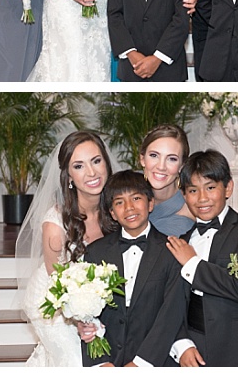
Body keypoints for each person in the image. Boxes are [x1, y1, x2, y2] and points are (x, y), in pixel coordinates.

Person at [165, 150, 238, 367]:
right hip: (194, 353)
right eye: (193, 190)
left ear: (228, 188)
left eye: (211, 187)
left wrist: (192, 264)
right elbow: (171, 303)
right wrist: (181, 343)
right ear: (184, 196)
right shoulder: (182, 241)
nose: (202, 198)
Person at [17, 130, 117, 367]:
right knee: (76, 362)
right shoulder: (55, 225)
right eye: (79, 166)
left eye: (96, 161)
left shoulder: (117, 207)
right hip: (54, 303)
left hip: (95, 297)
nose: (92, 173)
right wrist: (82, 318)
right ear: (69, 176)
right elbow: (58, 286)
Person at [77, 171, 188, 366]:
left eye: (136, 198)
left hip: (154, 361)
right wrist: (100, 362)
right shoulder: (96, 252)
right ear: (112, 212)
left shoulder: (172, 250)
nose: (129, 208)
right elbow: (88, 313)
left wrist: (141, 363)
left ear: (150, 203)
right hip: (107, 361)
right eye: (119, 202)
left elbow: (170, 315)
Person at [139, 124, 194, 236]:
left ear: (182, 166)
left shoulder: (193, 208)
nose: (161, 166)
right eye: (154, 155)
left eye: (172, 159)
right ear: (142, 159)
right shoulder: (125, 193)